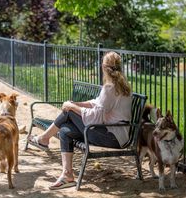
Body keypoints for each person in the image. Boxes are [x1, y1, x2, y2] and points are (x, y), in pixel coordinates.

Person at [27, 51, 132, 190]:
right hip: (114, 134)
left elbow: (96, 116)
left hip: (111, 136)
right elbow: (97, 103)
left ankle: (44, 138)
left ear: (104, 67)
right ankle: (67, 175)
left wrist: (72, 107)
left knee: (68, 112)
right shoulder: (119, 86)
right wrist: (78, 104)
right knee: (65, 131)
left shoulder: (110, 87)